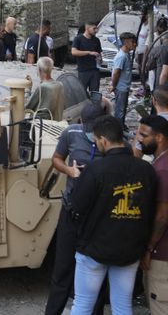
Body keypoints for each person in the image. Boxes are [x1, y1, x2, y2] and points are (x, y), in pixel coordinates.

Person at [69, 116, 156, 315]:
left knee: (82, 305)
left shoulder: (95, 169)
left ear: (104, 141)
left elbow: (77, 207)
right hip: (130, 250)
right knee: (123, 306)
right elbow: (150, 210)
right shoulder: (146, 170)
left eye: (97, 141)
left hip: (93, 250)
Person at [44, 101, 108, 315]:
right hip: (71, 211)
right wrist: (69, 171)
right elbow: (57, 159)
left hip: (98, 216)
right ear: (81, 122)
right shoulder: (71, 134)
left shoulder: (112, 139)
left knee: (96, 271)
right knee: (62, 269)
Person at [139, 115, 168, 315]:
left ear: (159, 138)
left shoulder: (163, 169)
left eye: (143, 135)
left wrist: (149, 247)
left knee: (160, 304)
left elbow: (162, 216)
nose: (139, 139)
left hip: (162, 253)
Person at [109, 32, 136, 122]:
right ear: (126, 42)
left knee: (123, 109)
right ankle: (118, 129)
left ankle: (121, 126)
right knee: (120, 110)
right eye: (133, 42)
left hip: (124, 87)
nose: (135, 44)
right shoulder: (121, 56)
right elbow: (116, 72)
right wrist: (113, 85)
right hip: (121, 88)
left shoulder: (126, 54)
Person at [72, 22, 102, 96]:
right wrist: (89, 52)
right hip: (83, 71)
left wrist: (100, 59)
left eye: (96, 28)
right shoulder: (78, 39)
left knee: (95, 94)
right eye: (94, 28)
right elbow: (74, 52)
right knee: (81, 93)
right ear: (87, 28)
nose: (96, 30)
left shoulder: (96, 40)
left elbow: (99, 54)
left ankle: (94, 107)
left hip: (95, 71)